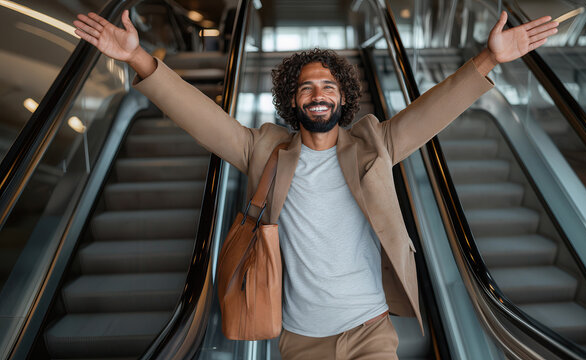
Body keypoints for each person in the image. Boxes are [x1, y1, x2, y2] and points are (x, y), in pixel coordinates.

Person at [73, 9, 559, 360]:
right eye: (306, 87)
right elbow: (201, 118)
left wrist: (489, 61)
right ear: (292, 100)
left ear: (342, 98)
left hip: (370, 331)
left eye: (328, 86)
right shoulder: (265, 151)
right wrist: (138, 58)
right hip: (301, 339)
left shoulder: (376, 143)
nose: (318, 94)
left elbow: (433, 110)